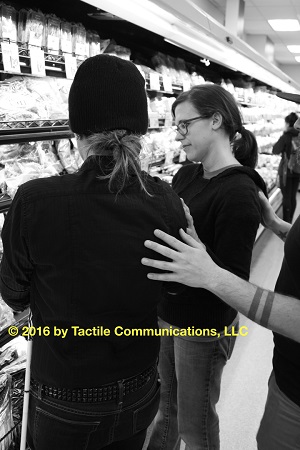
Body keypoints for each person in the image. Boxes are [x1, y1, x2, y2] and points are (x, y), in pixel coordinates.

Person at [0, 55, 187, 450]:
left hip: (67, 395)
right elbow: (175, 289)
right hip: (139, 386)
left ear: (75, 130)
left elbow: (13, 292)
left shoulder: (34, 200)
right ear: (141, 129)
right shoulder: (165, 199)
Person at [142, 92, 300, 450]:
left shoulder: (239, 190)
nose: (178, 134)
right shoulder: (184, 175)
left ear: (215, 121)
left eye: (185, 124)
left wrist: (200, 253)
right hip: (168, 313)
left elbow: (233, 280)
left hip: (203, 325)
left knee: (194, 427)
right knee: (164, 409)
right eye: (175, 125)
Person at [273, 111, 299, 222]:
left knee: (287, 197)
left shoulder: (286, 136)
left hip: (286, 171)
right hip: (298, 170)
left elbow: (275, 150)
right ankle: (290, 221)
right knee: (293, 196)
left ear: (288, 123)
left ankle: (285, 222)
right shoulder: (299, 135)